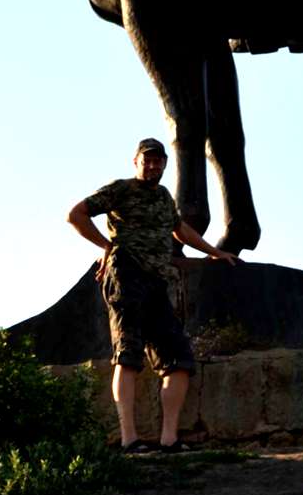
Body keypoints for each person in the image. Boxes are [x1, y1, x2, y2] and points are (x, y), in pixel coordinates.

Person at [68, 137, 238, 452]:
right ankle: (129, 439)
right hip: (127, 276)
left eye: (158, 160)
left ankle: (169, 439)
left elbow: (180, 230)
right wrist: (107, 247)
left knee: (178, 359)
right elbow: (76, 214)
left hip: (158, 283)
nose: (152, 164)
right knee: (128, 355)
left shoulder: (162, 197)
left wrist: (215, 252)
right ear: (136, 161)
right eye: (147, 159)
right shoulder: (120, 189)